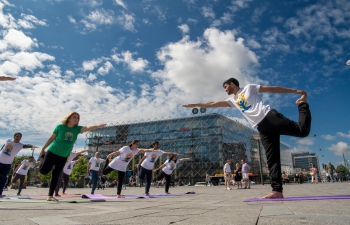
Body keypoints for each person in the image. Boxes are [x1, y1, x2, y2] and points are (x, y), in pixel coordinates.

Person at [182, 78, 311, 198]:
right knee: (272, 159)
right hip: (262, 128)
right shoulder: (233, 101)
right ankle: (277, 191)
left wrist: (294, 91)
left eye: (226, 87)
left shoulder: (249, 88)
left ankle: (302, 104)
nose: (225, 90)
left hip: (270, 117)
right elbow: (213, 103)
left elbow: (271, 89)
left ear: (232, 84)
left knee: (302, 131)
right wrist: (196, 104)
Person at [39, 111, 106, 201]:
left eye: (77, 118)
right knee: (43, 171)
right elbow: (52, 138)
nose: (76, 119)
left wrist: (97, 126)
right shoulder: (60, 127)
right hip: (52, 151)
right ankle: (43, 158)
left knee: (56, 174)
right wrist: (43, 149)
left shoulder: (77, 129)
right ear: (69, 118)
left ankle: (50, 196)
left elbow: (87, 128)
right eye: (74, 117)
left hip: (63, 155)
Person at [0, 132, 38, 198]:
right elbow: (3, 147)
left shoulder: (20, 145)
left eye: (20, 137)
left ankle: (0, 193)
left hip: (7, 164)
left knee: (3, 178)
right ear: (14, 136)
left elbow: (26, 145)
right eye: (17, 136)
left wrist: (32, 146)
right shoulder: (8, 140)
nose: (18, 138)